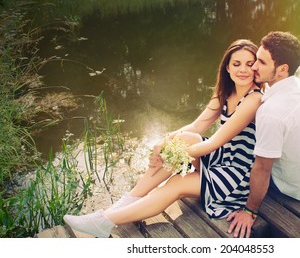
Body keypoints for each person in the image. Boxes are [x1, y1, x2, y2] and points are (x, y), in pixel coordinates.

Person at [63, 39, 264, 238]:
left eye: (249, 63)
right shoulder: (226, 93)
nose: (243, 70)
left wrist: (171, 152)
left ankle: (104, 221)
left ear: (256, 67)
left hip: (238, 176)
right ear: (227, 67)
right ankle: (127, 202)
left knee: (177, 181)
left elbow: (213, 143)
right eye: (237, 64)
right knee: (186, 137)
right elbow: (196, 126)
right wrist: (163, 142)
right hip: (222, 159)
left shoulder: (253, 99)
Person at [227, 31, 300, 238]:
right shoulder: (297, 85)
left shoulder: (271, 113)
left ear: (282, 69)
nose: (253, 67)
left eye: (261, 62)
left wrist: (250, 211)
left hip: (299, 189)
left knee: (249, 156)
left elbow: (262, 168)